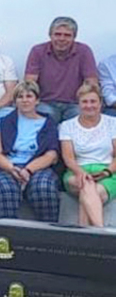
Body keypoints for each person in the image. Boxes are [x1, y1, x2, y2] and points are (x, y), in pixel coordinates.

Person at [0, 81, 60, 223]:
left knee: (44, 188)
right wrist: (12, 168)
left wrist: (28, 170)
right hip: (7, 165)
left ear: (37, 100)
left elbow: (51, 155)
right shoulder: (4, 122)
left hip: (37, 166)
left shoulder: (48, 123)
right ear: (15, 102)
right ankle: (5, 235)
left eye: (29, 96)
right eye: (20, 97)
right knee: (7, 190)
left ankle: (47, 233)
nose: (25, 100)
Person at [59, 84, 116, 227]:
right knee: (87, 184)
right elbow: (68, 158)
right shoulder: (67, 126)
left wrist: (106, 172)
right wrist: (81, 173)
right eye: (84, 101)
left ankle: (85, 235)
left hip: (108, 172)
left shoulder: (113, 123)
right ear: (78, 104)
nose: (89, 105)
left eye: (93, 101)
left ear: (100, 103)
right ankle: (100, 232)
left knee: (88, 193)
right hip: (76, 172)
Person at [24, 16, 97, 122]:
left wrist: (84, 101)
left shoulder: (84, 51)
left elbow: (91, 83)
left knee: (81, 117)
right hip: (45, 102)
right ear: (50, 35)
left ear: (74, 37)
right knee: (47, 118)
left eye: (67, 35)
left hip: (75, 103)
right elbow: (30, 83)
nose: (62, 39)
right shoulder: (37, 51)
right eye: (57, 34)